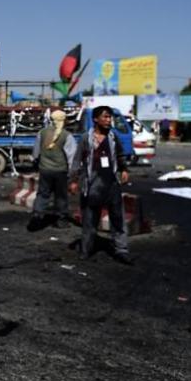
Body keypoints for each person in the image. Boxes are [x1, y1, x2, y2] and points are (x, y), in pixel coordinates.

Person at [69, 105, 133, 265]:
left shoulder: (113, 137)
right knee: (90, 220)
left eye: (110, 117)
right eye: (105, 117)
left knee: (118, 219)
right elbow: (77, 160)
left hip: (111, 185)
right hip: (92, 186)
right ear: (96, 119)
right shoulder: (86, 138)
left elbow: (120, 154)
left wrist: (124, 169)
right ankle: (86, 250)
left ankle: (121, 250)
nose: (108, 120)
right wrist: (74, 180)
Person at [27, 109, 77, 230]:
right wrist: (73, 175)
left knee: (43, 194)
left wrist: (37, 163)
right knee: (60, 196)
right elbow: (72, 157)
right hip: (60, 171)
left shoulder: (42, 133)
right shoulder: (67, 136)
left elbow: (35, 153)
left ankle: (37, 216)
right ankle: (61, 219)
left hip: (45, 170)